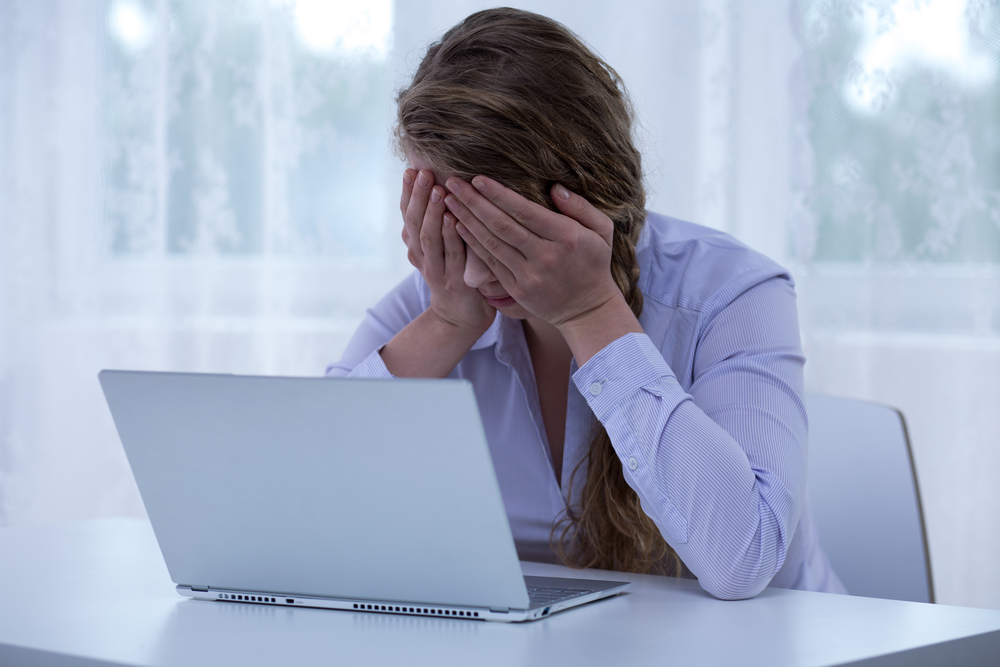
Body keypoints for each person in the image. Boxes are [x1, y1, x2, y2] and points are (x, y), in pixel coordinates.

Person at [327, 7, 845, 600]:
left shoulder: (734, 296)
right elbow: (297, 515)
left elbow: (743, 559)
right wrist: (446, 324)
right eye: (451, 226)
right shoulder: (442, 298)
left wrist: (590, 312)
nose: (470, 269)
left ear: (588, 196)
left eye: (502, 234)